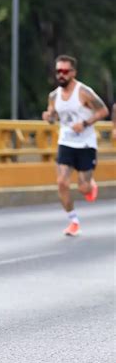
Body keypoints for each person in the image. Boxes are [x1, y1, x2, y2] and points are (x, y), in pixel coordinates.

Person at [42, 55, 109, 236]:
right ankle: (73, 221)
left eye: (65, 71)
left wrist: (85, 124)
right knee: (62, 182)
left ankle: (89, 185)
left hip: (86, 144)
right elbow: (53, 116)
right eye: (58, 71)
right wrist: (49, 117)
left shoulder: (84, 92)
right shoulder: (53, 96)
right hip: (66, 142)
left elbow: (103, 110)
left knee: (83, 188)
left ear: (73, 72)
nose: (61, 75)